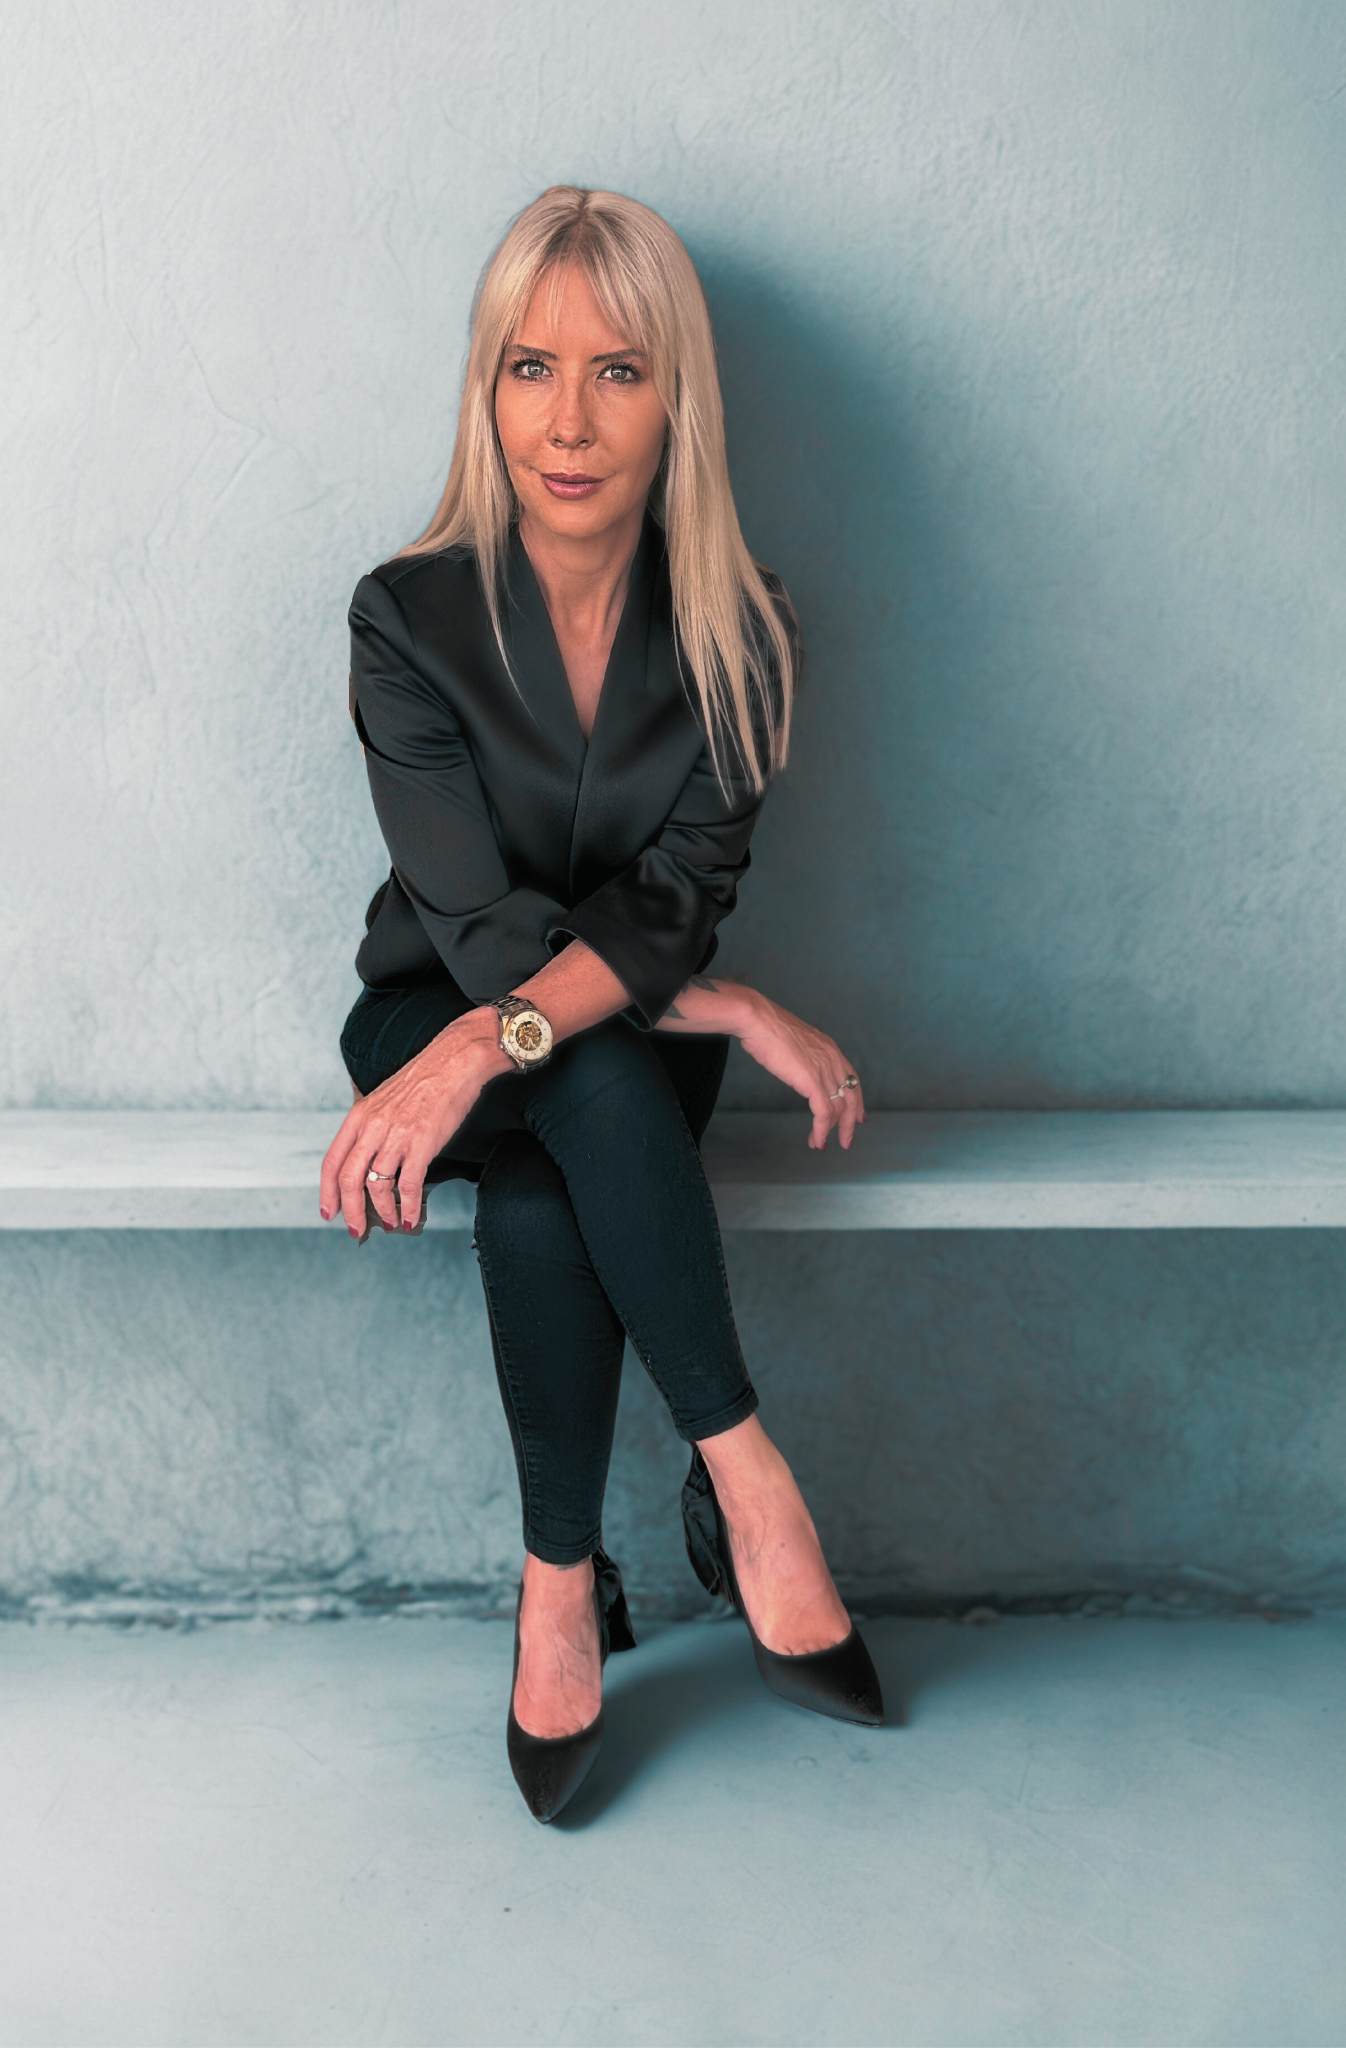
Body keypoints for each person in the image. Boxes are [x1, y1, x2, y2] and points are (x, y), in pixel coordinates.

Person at [321, 186, 883, 1823]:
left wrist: (604, 1010)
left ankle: (558, 1586)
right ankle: (752, 1486)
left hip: (556, 1051)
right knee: (599, 1080)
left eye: (618, 372)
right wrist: (717, 1008)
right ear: (486, 387)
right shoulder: (400, 618)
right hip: (425, 1013)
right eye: (529, 367)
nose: (566, 423)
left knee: (557, 1156)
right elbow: (485, 930)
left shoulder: (747, 640)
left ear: (677, 400)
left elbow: (664, 906)